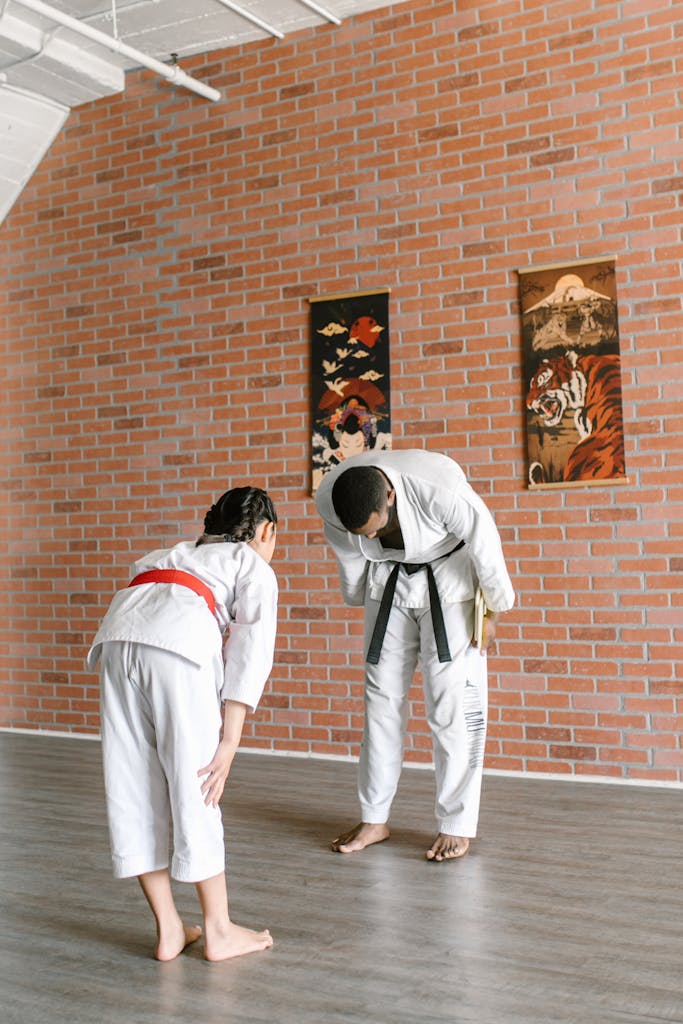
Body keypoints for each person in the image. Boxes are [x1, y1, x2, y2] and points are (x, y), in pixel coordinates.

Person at [87, 487, 278, 961]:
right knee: (198, 783)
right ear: (267, 531)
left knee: (132, 784)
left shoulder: (168, 553)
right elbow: (249, 653)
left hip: (117, 639)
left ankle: (170, 927)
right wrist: (228, 743)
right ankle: (218, 930)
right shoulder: (252, 564)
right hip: (178, 647)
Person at [314, 450, 515, 862]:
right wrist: (356, 596)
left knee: (451, 703)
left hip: (450, 578)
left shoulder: (438, 487)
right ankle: (374, 817)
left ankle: (456, 824)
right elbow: (351, 554)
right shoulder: (330, 499)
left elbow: (485, 539)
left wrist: (492, 610)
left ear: (388, 494)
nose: (369, 537)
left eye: (374, 528)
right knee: (380, 700)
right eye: (362, 533)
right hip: (387, 581)